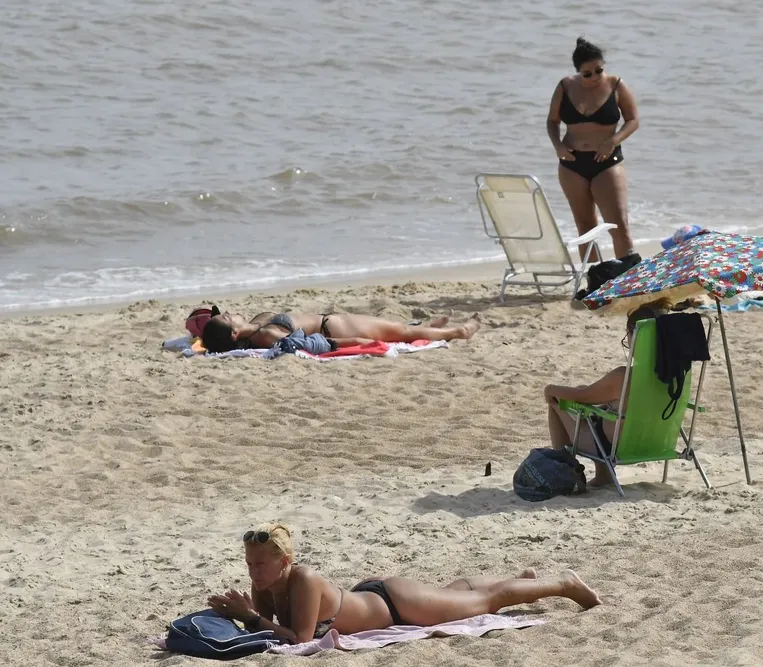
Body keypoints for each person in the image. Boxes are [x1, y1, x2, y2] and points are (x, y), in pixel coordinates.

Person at [207, 523, 602, 644]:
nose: (254, 570)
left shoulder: (305, 579)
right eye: (250, 563)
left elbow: (301, 639)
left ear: (285, 562)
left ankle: (563, 583)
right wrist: (241, 614)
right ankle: (519, 579)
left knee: (487, 602)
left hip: (396, 605)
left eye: (260, 563)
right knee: (457, 593)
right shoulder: (264, 585)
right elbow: (269, 631)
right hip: (377, 598)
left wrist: (252, 618)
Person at [547, 37, 641, 271]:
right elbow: (552, 121)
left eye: (599, 70)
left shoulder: (616, 84)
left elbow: (633, 120)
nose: (595, 77)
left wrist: (613, 141)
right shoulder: (565, 86)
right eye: (587, 73)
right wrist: (558, 145)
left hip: (607, 162)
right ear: (578, 72)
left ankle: (628, 278)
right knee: (585, 226)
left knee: (618, 225)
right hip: (571, 164)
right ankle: (594, 280)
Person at [542, 306, 659, 486]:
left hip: (616, 447)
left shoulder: (622, 377)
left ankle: (563, 470)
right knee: (607, 409)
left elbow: (581, 396)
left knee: (557, 401)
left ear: (634, 337)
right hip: (655, 442)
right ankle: (603, 476)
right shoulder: (677, 375)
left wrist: (550, 389)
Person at [199, 307, 482, 353]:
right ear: (234, 334)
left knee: (396, 328)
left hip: (332, 319)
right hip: (334, 327)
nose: (228, 312)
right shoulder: (266, 335)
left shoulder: (256, 325)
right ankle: (459, 332)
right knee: (400, 332)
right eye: (227, 318)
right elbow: (315, 343)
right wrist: (356, 341)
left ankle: (429, 328)